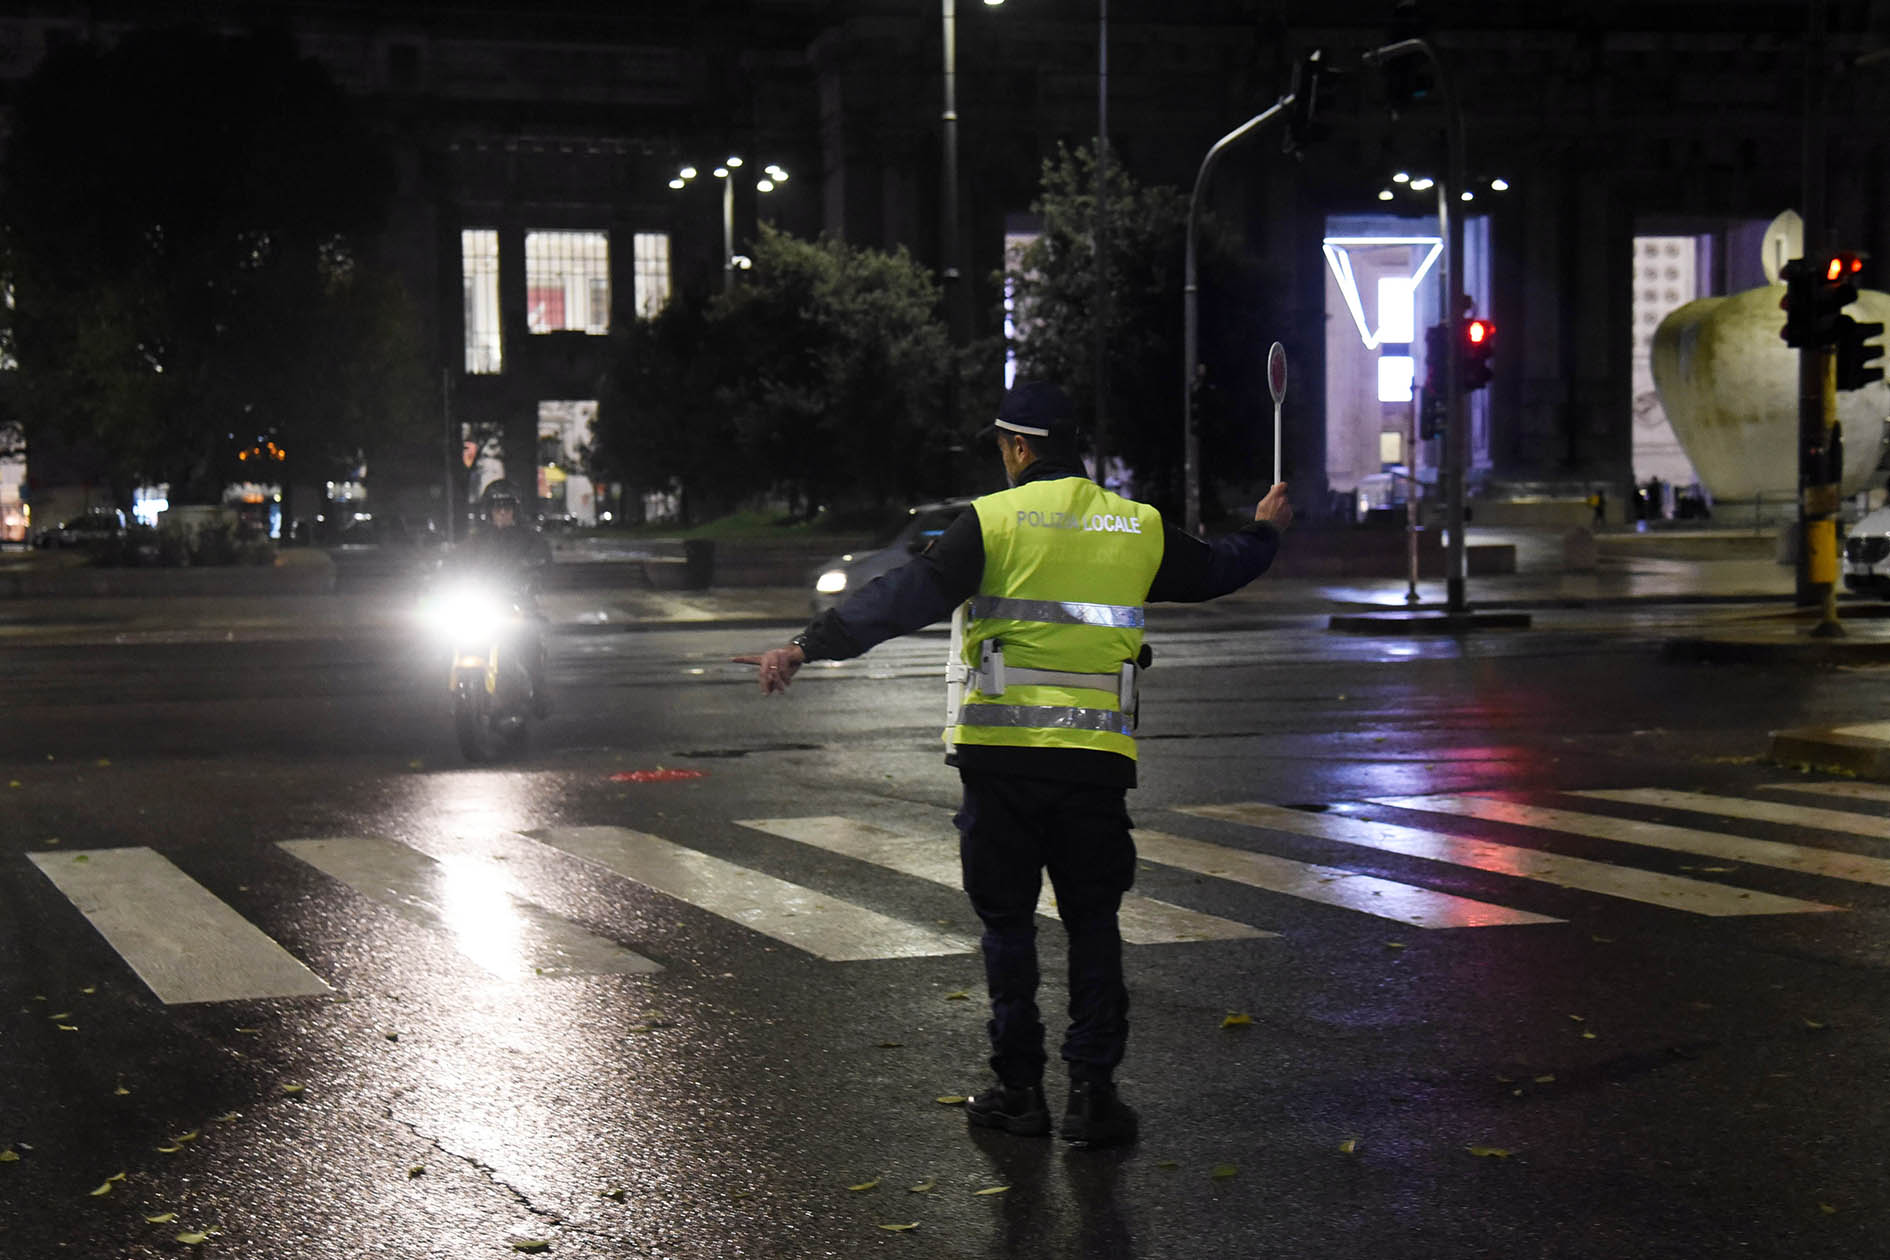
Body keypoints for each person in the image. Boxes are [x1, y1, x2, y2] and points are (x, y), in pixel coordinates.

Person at [734, 380, 1292, 1149]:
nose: (1003, 460)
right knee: (1094, 925)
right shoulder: (1135, 527)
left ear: (1021, 447)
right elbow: (1218, 567)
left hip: (1000, 765)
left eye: (1004, 447)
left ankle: (1019, 1092)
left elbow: (904, 596)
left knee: (1008, 928)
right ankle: (1094, 1097)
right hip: (1095, 765)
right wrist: (1264, 532)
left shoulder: (991, 523)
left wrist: (806, 646)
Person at [460, 478, 553, 718]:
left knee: (528, 638)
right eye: (497, 507)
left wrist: (533, 576)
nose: (502, 513)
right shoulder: (476, 540)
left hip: (516, 600)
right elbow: (456, 563)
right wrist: (438, 580)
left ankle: (538, 689)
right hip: (482, 601)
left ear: (515, 510)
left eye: (507, 507)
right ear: (488, 511)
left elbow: (543, 559)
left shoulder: (530, 538)